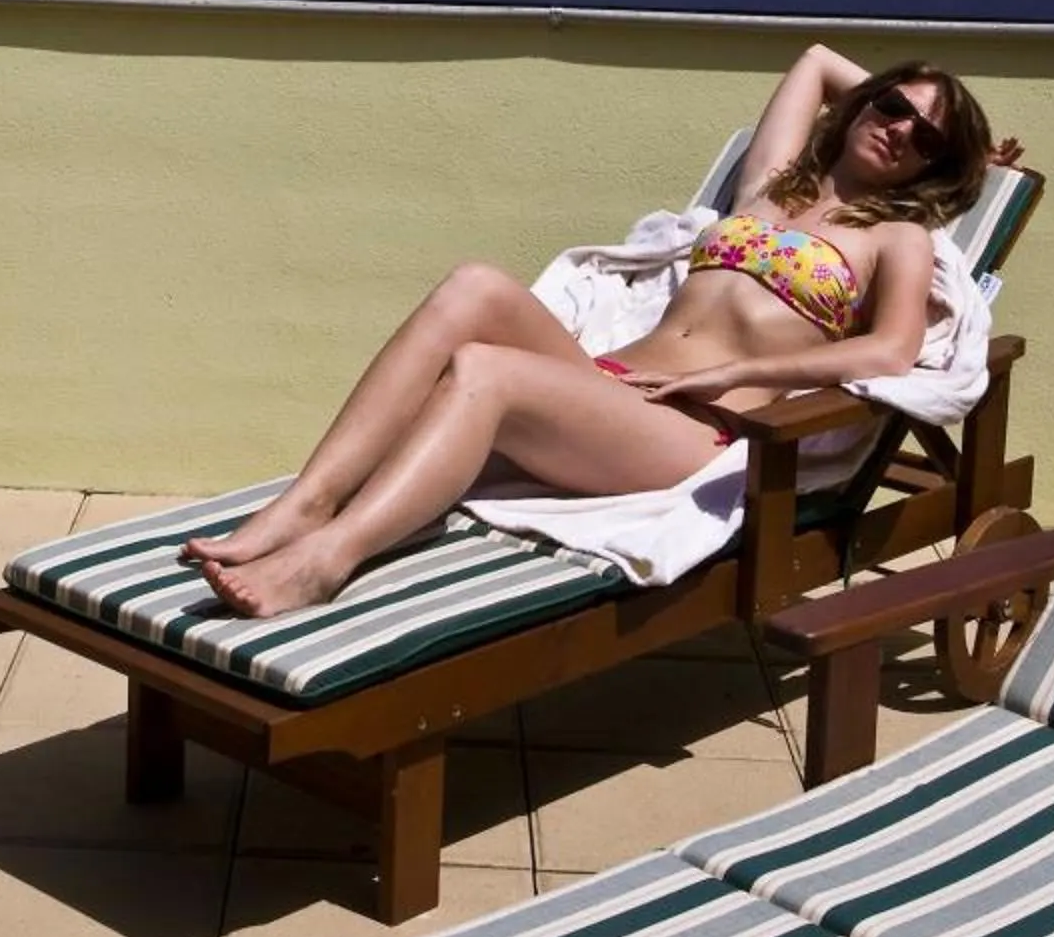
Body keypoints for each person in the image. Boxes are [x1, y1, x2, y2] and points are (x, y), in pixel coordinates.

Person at [185, 46, 1006, 617]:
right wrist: (914, 104)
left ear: (933, 169)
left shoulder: (896, 237)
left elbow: (891, 353)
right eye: (893, 106)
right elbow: (819, 59)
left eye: (924, 137)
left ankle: (330, 560)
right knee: (475, 286)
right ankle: (305, 506)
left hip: (692, 428)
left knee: (485, 370)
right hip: (612, 383)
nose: (899, 128)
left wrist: (729, 377)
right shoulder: (771, 184)